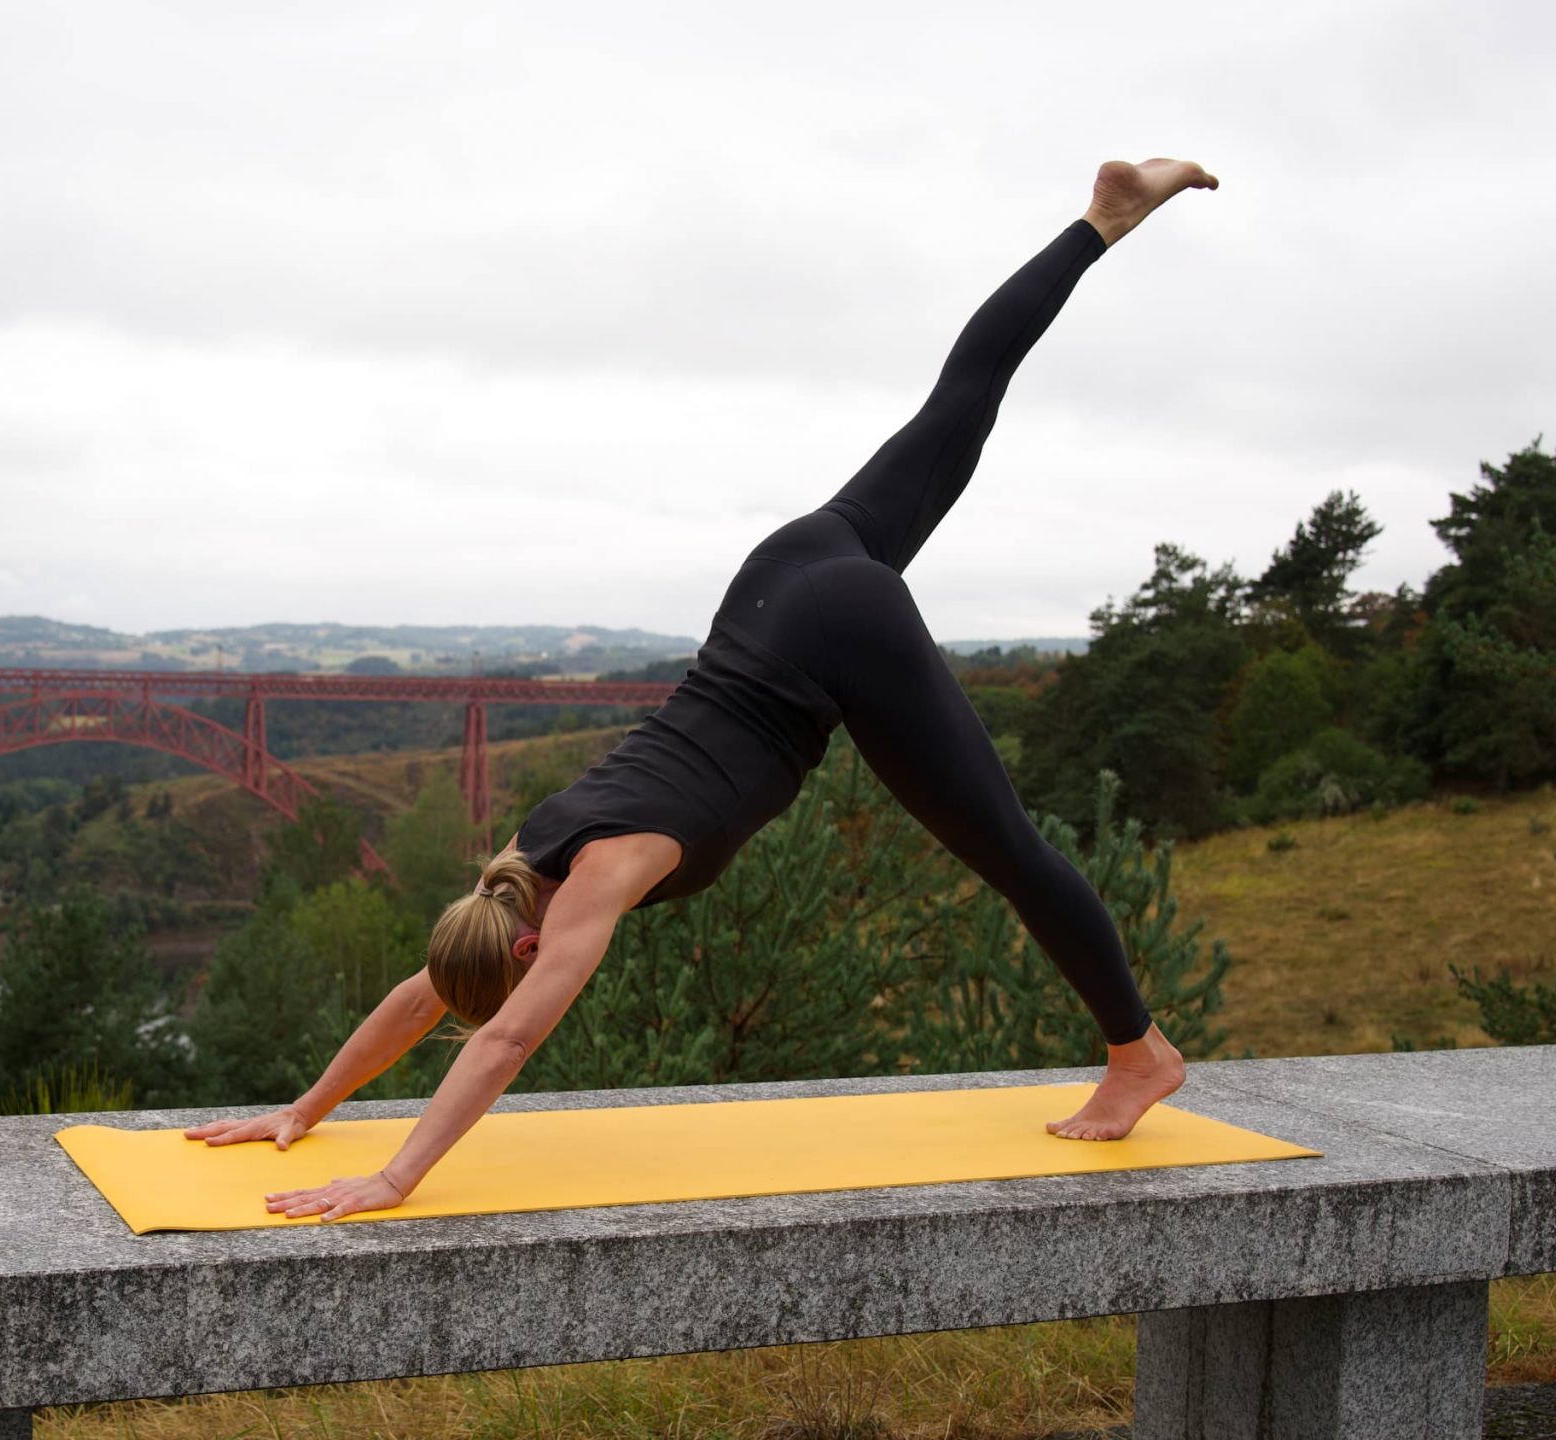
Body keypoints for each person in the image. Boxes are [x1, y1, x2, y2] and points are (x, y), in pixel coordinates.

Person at [186, 158, 1220, 1222]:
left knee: (1007, 845)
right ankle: (1101, 220)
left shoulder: (583, 886)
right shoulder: (512, 869)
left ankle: (1139, 1052)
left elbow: (502, 1035)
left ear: (523, 946)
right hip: (783, 576)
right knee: (959, 401)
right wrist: (303, 1110)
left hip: (833, 642)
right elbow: (430, 999)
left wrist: (391, 1175)